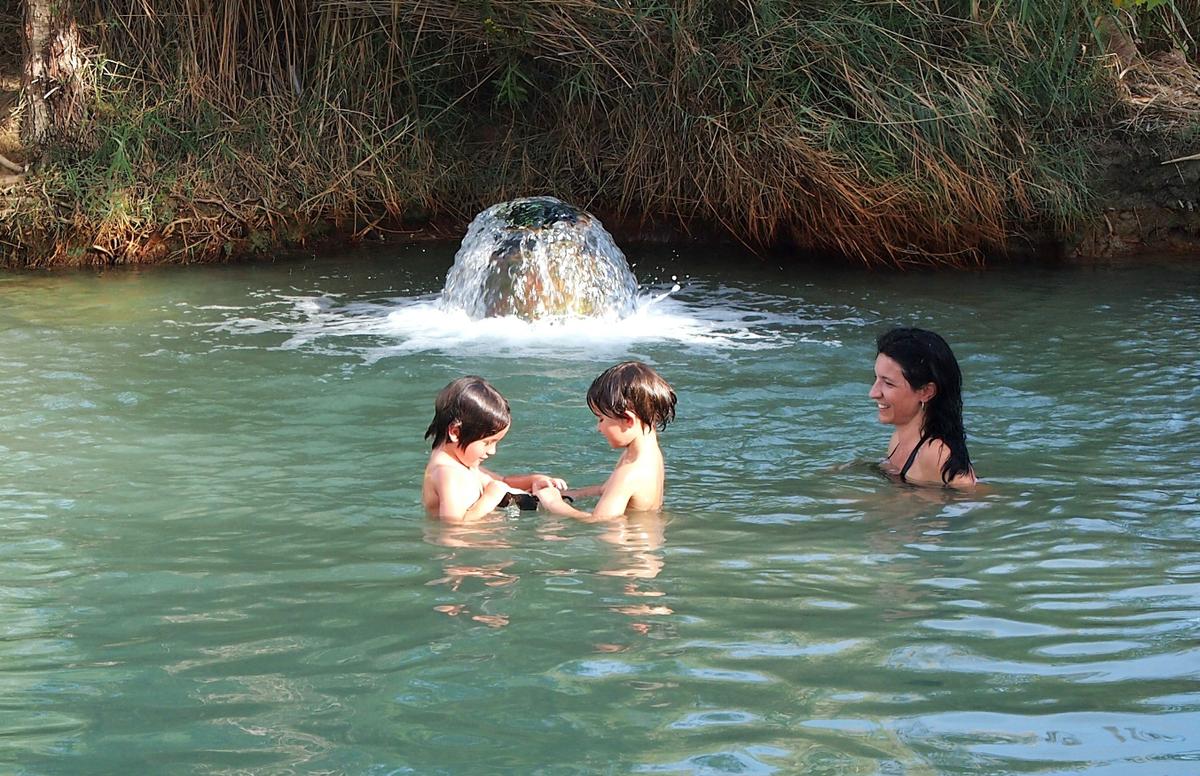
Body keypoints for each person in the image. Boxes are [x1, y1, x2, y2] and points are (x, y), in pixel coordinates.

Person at [536, 361, 677, 519]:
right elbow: (607, 489)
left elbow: (600, 520)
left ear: (628, 420)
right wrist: (568, 495)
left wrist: (553, 503)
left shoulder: (631, 471)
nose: (598, 428)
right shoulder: (645, 455)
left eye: (601, 419)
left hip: (628, 542)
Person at [422, 376, 566, 521]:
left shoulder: (463, 465)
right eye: (487, 442)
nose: (492, 451)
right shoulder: (446, 473)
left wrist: (535, 480)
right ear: (455, 432)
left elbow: (503, 482)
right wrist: (490, 498)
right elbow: (451, 531)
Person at [870, 327, 976, 488]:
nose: (873, 392)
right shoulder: (898, 439)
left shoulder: (936, 453)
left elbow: (970, 496)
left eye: (888, 383)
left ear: (926, 392)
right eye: (876, 378)